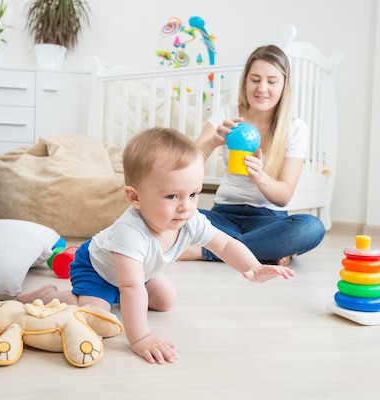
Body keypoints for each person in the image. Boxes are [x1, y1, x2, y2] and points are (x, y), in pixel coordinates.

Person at [17, 127, 295, 365]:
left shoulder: (189, 218)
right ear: (135, 197)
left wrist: (253, 266)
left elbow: (224, 244)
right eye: (172, 196)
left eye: (194, 194)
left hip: (138, 271)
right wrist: (141, 338)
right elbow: (131, 287)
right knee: (96, 317)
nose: (186, 206)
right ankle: (50, 294)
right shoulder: (130, 233)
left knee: (164, 301)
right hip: (98, 269)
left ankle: (114, 297)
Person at [180, 44, 325, 266]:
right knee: (169, 213)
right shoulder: (227, 114)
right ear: (245, 81)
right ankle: (263, 249)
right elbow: (186, 165)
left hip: (268, 219)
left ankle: (204, 251)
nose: (262, 88)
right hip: (223, 215)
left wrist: (260, 177)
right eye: (255, 80)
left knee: (311, 227)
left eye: (272, 81)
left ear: (284, 85)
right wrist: (213, 141)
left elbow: (284, 196)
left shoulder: (295, 129)